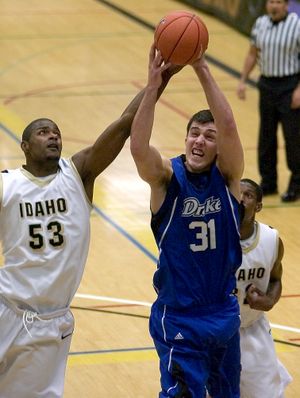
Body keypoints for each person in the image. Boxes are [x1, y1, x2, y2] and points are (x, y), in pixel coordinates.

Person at [0, 65, 178, 397]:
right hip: (5, 305)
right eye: (42, 132)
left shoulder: (77, 173)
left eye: (55, 131)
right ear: (24, 146)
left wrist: (159, 81)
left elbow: (126, 123)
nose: (53, 135)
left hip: (49, 324)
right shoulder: (7, 185)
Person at [130, 44, 244, 397]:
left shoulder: (228, 179)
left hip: (224, 312)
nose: (200, 140)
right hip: (179, 316)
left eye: (209, 137)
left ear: (218, 147)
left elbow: (228, 125)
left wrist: (201, 66)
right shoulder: (167, 178)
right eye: (194, 132)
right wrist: (152, 89)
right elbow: (138, 148)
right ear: (185, 138)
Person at [207, 178, 292, 397]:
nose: (241, 199)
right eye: (237, 193)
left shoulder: (271, 239)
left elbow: (275, 279)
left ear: (259, 206)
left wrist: (270, 300)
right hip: (215, 331)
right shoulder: (210, 237)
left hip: (251, 329)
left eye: (248, 196)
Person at [237, 0, 300, 202]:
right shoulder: (260, 23)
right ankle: (269, 181)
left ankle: (296, 183)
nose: (274, 6)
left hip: (289, 85)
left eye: (278, 2)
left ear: (286, 5)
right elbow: (252, 54)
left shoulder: (296, 25)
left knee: (293, 137)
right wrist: (243, 80)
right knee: (266, 136)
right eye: (271, 1)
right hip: (267, 85)